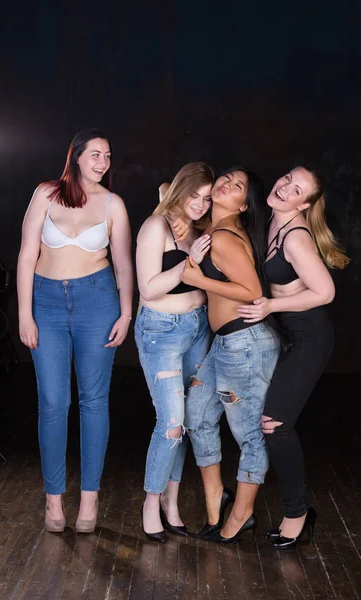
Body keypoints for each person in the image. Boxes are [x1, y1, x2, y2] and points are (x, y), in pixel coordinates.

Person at [17, 128, 133, 533]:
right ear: (77, 157)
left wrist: (126, 312)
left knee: (93, 400)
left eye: (108, 156)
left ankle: (89, 499)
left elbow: (122, 263)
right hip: (45, 303)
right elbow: (27, 252)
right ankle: (53, 502)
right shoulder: (45, 194)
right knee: (52, 402)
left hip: (97, 302)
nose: (103, 162)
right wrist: (24, 314)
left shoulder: (113, 204)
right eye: (95, 154)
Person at [237, 166, 350, 549]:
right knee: (271, 423)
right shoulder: (273, 220)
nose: (285, 187)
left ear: (305, 204)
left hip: (310, 338)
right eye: (286, 178)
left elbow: (326, 292)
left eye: (296, 189)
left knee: (274, 425)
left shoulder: (296, 236)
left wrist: (269, 304)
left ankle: (298, 514)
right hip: (289, 336)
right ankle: (296, 510)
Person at [182, 167, 281, 543]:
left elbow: (252, 290)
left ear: (243, 204)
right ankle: (215, 499)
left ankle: (242, 515)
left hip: (246, 346)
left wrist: (198, 280)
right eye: (226, 178)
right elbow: (166, 191)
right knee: (197, 415)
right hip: (224, 345)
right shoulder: (212, 228)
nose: (227, 184)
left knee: (248, 436)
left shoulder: (223, 237)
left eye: (238, 186)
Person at [135, 162, 214, 542]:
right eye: (194, 196)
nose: (199, 205)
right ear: (180, 191)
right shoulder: (156, 227)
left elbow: (169, 185)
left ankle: (172, 502)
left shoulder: (195, 226)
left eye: (207, 199)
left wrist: (182, 206)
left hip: (198, 328)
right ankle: (150, 503)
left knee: (184, 424)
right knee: (170, 423)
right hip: (161, 332)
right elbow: (148, 290)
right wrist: (189, 261)